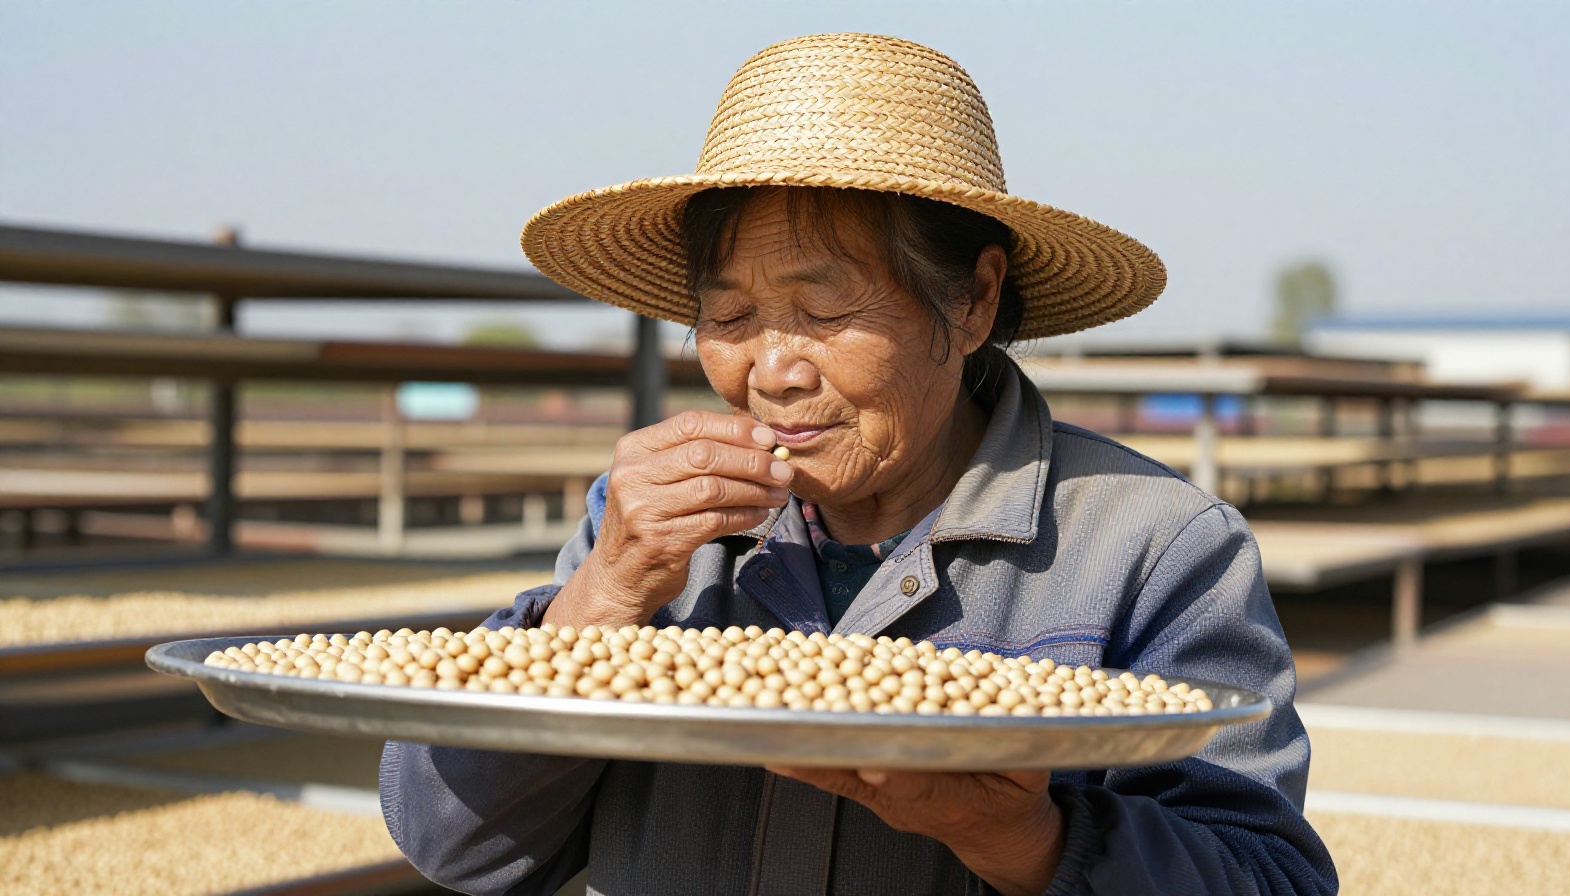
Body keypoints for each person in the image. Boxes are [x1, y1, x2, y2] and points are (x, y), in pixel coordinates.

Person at [380, 32, 1337, 896]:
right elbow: (453, 845)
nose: (771, 372)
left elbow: (1267, 878)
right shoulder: (648, 534)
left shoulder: (1152, 548)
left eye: (826, 310)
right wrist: (599, 600)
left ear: (972, 301)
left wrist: (1020, 837)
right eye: (729, 316)